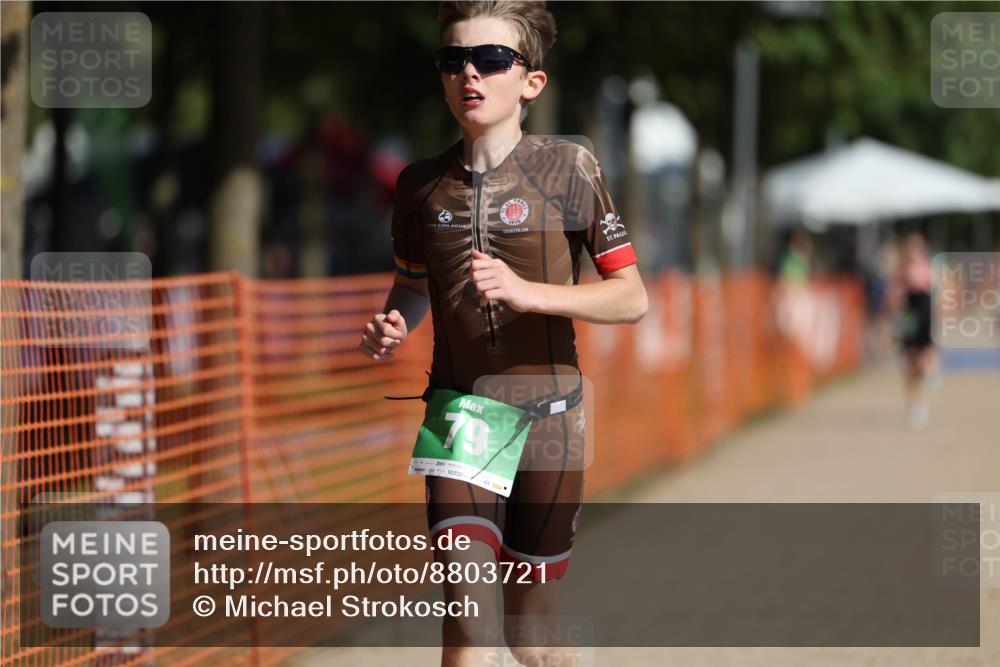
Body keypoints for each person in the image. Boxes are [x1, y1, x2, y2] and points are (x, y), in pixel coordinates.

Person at [357, 2, 647, 665]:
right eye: (453, 60)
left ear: (531, 82)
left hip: (553, 420)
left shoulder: (569, 171)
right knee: (467, 620)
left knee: (529, 636)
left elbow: (632, 297)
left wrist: (527, 293)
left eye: (490, 59)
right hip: (462, 413)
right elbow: (411, 282)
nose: (470, 74)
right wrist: (395, 319)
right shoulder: (417, 186)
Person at [887, 232, 936, 429]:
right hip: (909, 321)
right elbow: (893, 300)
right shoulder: (900, 273)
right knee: (908, 363)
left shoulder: (927, 269)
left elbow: (935, 295)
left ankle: (920, 399)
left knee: (921, 363)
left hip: (923, 320)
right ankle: (912, 403)